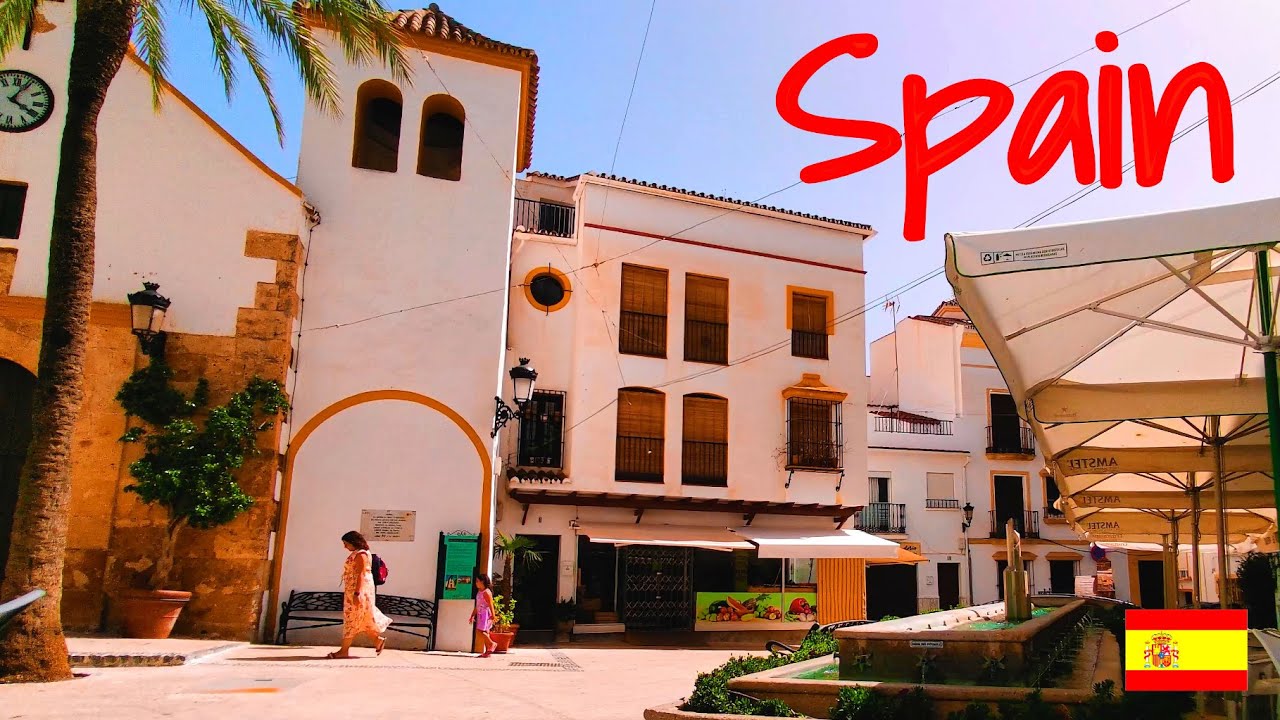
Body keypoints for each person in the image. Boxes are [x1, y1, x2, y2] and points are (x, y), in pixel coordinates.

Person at [327, 530, 391, 659]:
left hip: (360, 592)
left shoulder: (361, 555)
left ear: (353, 542)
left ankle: (344, 651)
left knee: (352, 619)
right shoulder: (357, 554)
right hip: (356, 591)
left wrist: (357, 593)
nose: (345, 546)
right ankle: (377, 641)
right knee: (362, 618)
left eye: (346, 543)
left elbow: (361, 574)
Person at [469, 573, 499, 658]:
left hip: (485, 614)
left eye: (477, 581)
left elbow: (490, 604)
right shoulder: (479, 592)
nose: (476, 583)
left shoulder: (486, 592)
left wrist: (493, 615)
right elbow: (477, 605)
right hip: (480, 613)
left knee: (480, 631)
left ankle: (492, 644)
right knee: (485, 632)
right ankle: (487, 652)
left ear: (482, 582)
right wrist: (472, 615)